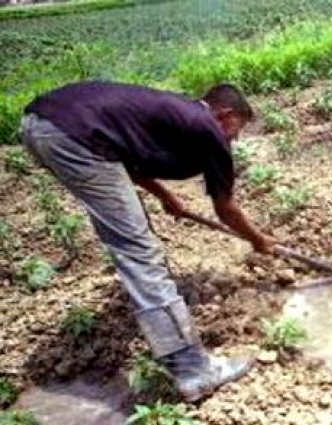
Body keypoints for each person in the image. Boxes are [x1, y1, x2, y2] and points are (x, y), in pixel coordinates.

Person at [20, 80, 273, 402]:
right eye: (236, 129)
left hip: (42, 125)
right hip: (73, 135)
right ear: (225, 114)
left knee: (128, 232)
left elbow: (122, 157)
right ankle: (194, 371)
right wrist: (258, 240)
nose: (234, 139)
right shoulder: (207, 127)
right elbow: (225, 209)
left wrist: (165, 196)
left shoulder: (176, 113)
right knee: (137, 249)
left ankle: (182, 354)